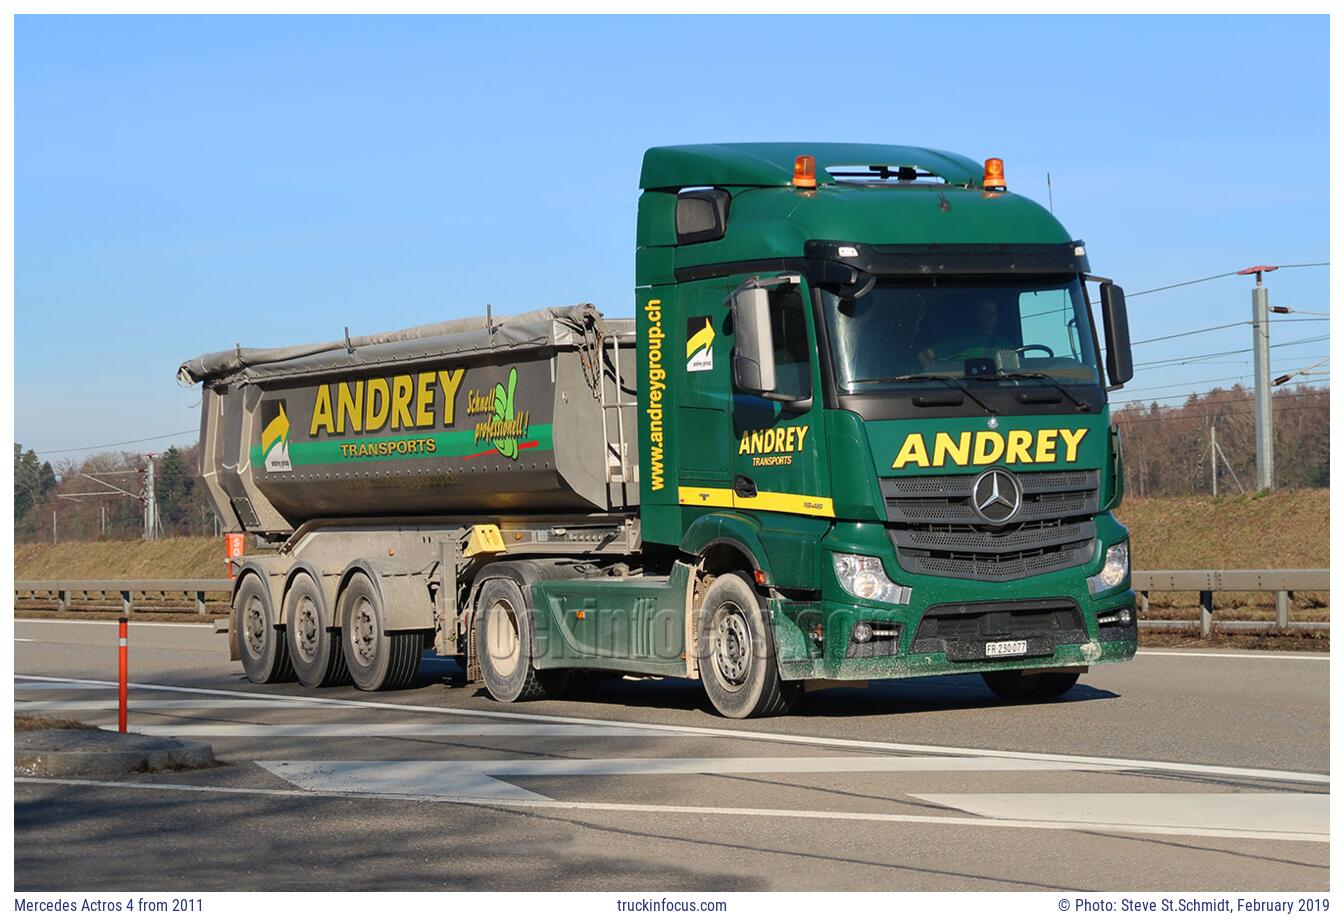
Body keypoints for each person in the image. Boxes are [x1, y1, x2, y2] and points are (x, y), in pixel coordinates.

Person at [917, 297, 1009, 369]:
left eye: (992, 314)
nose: (989, 318)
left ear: (997, 317)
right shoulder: (963, 340)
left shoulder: (1005, 343)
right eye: (985, 314)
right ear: (977, 316)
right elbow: (924, 355)